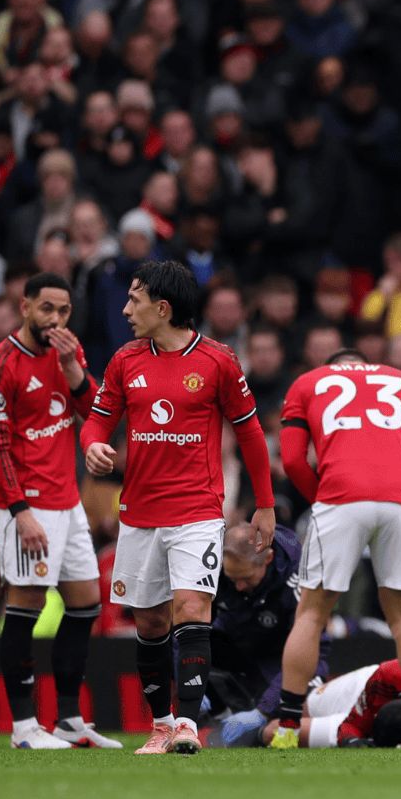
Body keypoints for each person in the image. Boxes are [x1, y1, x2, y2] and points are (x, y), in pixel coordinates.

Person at [81, 261, 277, 755]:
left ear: (162, 308)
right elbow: (97, 422)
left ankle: (188, 726)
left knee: (192, 609)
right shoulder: (125, 360)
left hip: (197, 510)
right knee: (149, 623)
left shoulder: (218, 361)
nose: (126, 309)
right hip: (140, 514)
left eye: (134, 299)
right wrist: (92, 446)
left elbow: (251, 434)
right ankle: (162, 724)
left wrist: (266, 505)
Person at [271, 347, 401, 750]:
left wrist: (324, 500)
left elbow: (293, 460)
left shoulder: (308, 382)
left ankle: (285, 728)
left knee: (312, 614)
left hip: (339, 497)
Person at [0, 272, 118, 750]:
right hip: (27, 505)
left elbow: (94, 412)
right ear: (25, 306)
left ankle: (69, 720)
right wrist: (21, 512)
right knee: (27, 605)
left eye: (63, 311)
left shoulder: (68, 354)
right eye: (46, 309)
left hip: (68, 499)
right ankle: (22, 729)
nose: (55, 319)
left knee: (84, 604)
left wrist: (74, 370)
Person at [204, 522, 319, 746]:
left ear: (267, 559)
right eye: (232, 578)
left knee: (307, 692)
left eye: (245, 578)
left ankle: (258, 712)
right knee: (180, 636)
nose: (238, 586)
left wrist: (263, 711)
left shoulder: (300, 578)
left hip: (282, 658)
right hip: (238, 644)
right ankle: (216, 712)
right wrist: (190, 682)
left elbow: (315, 652)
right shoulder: (213, 565)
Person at [258, 660, 401, 748]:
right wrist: (350, 739)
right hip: (362, 687)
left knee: (274, 732)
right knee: (288, 721)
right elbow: (349, 727)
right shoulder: (381, 681)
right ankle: (251, 720)